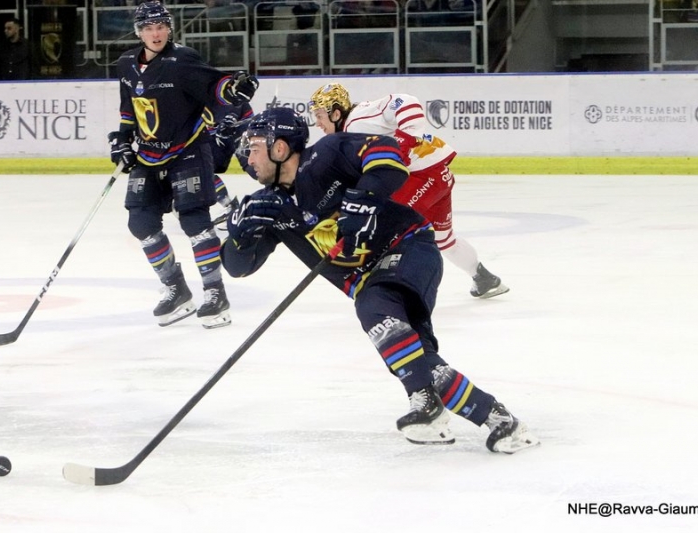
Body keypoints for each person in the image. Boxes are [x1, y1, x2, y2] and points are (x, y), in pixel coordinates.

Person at [220, 107, 538, 453]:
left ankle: (427, 408)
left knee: (373, 308)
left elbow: (389, 155)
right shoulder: (270, 205)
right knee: (417, 358)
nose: (246, 156)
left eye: (253, 146)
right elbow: (239, 267)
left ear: (280, 148)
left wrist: (363, 199)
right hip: (372, 280)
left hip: (409, 247)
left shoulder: (327, 155)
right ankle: (501, 421)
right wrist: (237, 235)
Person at [109, 0, 258, 328]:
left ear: (169, 27)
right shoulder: (125, 64)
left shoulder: (183, 59)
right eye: (148, 27)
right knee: (141, 222)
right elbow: (128, 108)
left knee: (194, 220)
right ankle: (175, 288)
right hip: (149, 155)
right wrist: (121, 141)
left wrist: (233, 89)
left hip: (187, 150)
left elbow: (214, 87)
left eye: (161, 26)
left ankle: (215, 293)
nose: (155, 32)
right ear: (139, 32)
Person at [308, 83, 508, 299]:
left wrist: (402, 144)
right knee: (444, 240)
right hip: (436, 176)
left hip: (423, 177)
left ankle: (393, 293)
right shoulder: (347, 134)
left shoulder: (358, 119)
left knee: (388, 233)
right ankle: (484, 278)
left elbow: (407, 102)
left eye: (320, 115)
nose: (317, 123)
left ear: (336, 113)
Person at [205, 100, 254, 228]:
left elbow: (237, 95)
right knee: (202, 168)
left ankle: (289, 196)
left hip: (240, 125)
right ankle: (230, 207)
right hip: (216, 134)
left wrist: (231, 116)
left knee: (254, 167)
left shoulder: (209, 81)